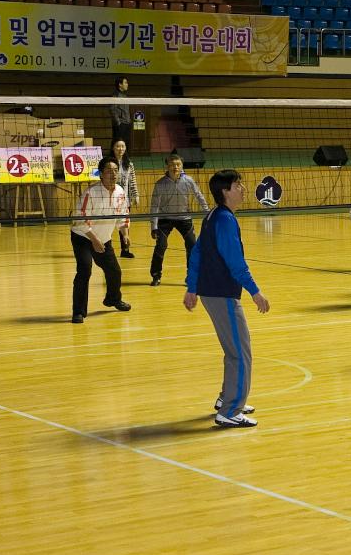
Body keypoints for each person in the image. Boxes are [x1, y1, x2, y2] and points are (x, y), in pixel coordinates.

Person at [184, 169, 270, 429]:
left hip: (212, 292)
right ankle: (230, 411)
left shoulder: (213, 216)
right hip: (222, 293)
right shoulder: (224, 220)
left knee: (234, 351)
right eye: (237, 184)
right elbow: (236, 262)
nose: (242, 188)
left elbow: (197, 252)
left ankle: (227, 399)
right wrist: (255, 292)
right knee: (241, 353)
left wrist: (191, 287)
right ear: (225, 191)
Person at [69, 157, 131, 324]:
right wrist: (94, 240)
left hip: (104, 239)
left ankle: (113, 299)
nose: (113, 174)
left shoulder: (120, 192)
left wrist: (125, 233)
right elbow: (79, 219)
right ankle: (79, 312)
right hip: (83, 237)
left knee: (115, 272)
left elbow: (122, 216)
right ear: (101, 174)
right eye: (109, 171)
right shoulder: (91, 193)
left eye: (116, 171)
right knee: (84, 270)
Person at [149, 153, 209, 287]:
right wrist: (154, 226)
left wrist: (207, 214)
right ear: (167, 166)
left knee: (192, 246)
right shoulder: (160, 184)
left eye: (178, 164)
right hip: (165, 219)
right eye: (172, 165)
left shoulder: (189, 180)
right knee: (160, 246)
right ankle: (156, 275)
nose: (175, 167)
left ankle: (192, 277)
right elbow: (154, 206)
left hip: (184, 218)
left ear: (182, 166)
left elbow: (199, 196)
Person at [111, 139, 139, 258]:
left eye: (123, 146)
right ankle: (103, 249)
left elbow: (132, 181)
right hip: (110, 199)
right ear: (113, 148)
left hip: (124, 200)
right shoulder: (108, 163)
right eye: (118, 146)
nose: (120, 149)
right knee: (107, 224)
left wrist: (135, 195)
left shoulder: (129, 164)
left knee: (124, 225)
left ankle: (125, 250)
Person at [110, 76, 131, 150]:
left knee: (126, 144)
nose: (127, 84)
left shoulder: (125, 95)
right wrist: (118, 123)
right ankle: (113, 160)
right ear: (120, 84)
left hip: (127, 123)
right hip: (120, 124)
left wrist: (128, 121)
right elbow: (113, 109)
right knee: (117, 143)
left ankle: (125, 160)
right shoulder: (116, 95)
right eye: (125, 82)